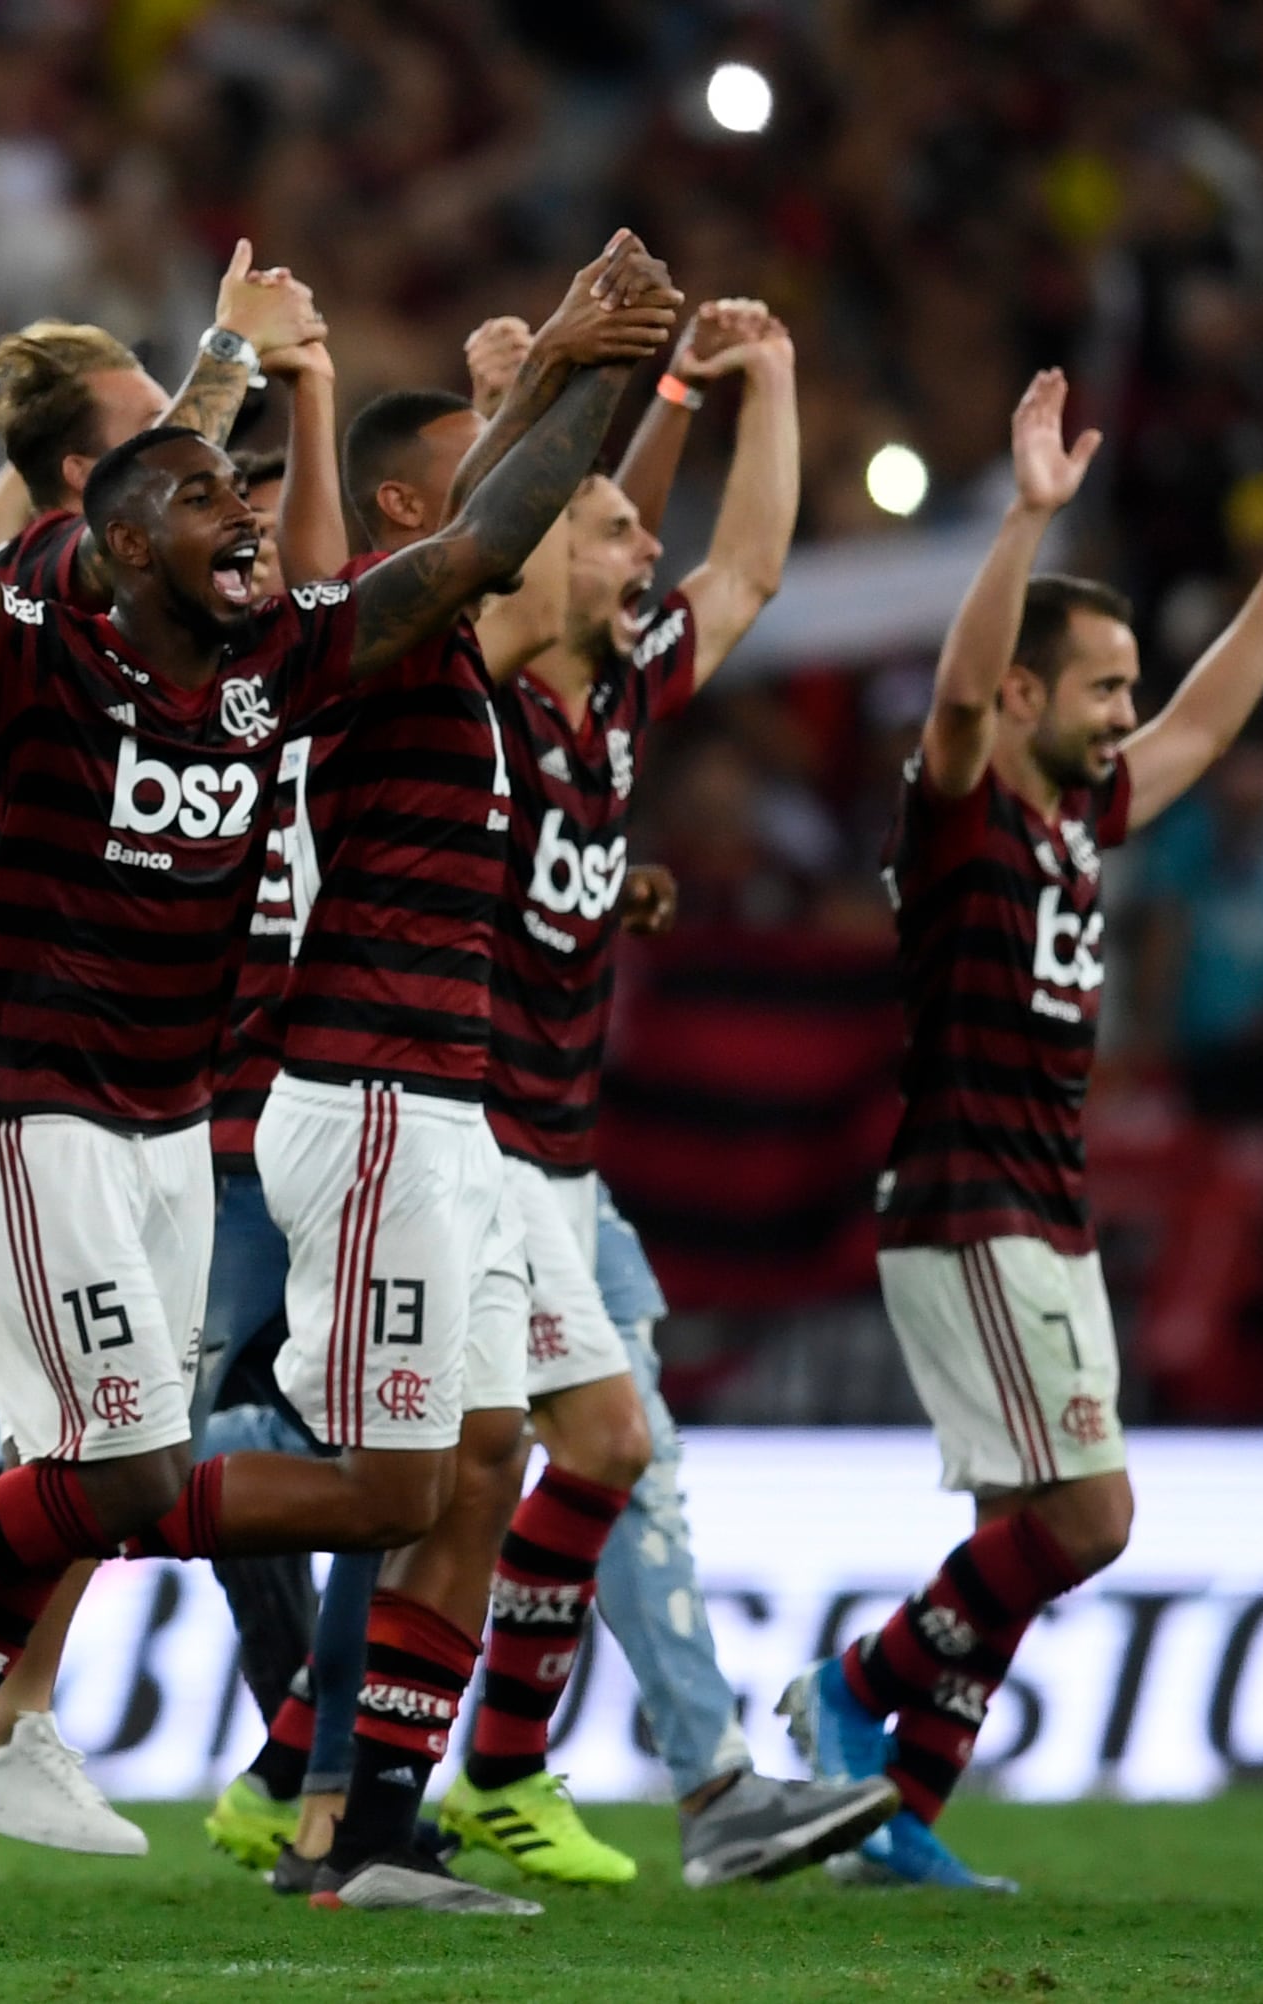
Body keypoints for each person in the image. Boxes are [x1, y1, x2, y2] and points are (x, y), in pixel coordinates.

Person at [0, 235, 681, 1916]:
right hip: (34, 1108)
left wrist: (595, 369)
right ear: (126, 542)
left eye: (251, 494)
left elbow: (489, 539)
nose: (251, 516)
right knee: (122, 1479)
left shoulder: (286, 672)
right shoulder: (45, 662)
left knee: (120, 1491)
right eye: (211, 496)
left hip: (166, 1127)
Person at [0, 256, 330, 1862]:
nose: (209, 461)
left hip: (93, 1076)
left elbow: (150, 501)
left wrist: (233, 351)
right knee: (42, 1444)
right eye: (170, 441)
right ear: (101, 486)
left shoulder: (119, 610)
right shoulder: (23, 612)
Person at [782, 372, 1263, 1890]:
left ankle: (897, 1822)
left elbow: (1210, 730)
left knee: (1036, 1528)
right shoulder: (962, 812)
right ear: (1029, 697)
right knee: (1089, 1517)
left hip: (1042, 1202)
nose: (1127, 712)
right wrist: (1022, 522)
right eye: (1104, 686)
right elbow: (958, 698)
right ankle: (853, 1688)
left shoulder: (1079, 821)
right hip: (970, 1207)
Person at [424, 299, 904, 1890]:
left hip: (560, 1159)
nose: (650, 550)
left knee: (618, 1457)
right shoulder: (475, 691)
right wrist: (543, 387)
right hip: (444, 1139)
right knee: (366, 1463)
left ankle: (657, 1782)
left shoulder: (615, 701)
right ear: (538, 548)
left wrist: (770, 377)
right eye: (618, 523)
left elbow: (753, 571)